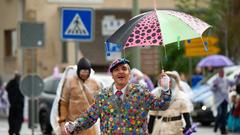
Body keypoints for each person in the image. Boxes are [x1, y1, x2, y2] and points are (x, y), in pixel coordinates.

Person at [65, 58, 171, 134]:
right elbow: (90, 116)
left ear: (129, 74)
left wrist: (165, 89)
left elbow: (162, 105)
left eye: (124, 69)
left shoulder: (141, 92)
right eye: (116, 70)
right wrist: (74, 125)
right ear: (112, 75)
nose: (120, 72)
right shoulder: (103, 96)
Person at [55, 57, 101, 135]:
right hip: (72, 125)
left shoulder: (95, 83)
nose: (84, 74)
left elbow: (99, 104)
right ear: (78, 71)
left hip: (90, 127)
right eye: (82, 71)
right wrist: (62, 124)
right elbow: (63, 103)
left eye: (86, 71)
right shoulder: (70, 82)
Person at [211, 69, 232, 135]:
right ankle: (216, 125)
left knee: (224, 115)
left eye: (223, 72)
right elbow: (212, 89)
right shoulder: (215, 80)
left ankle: (223, 129)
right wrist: (215, 86)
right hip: (218, 100)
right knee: (219, 114)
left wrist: (237, 78)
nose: (222, 73)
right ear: (219, 73)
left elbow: (233, 82)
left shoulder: (226, 79)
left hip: (225, 100)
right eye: (221, 72)